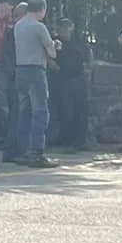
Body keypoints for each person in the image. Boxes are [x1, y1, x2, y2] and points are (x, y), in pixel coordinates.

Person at [6, 0, 55, 167]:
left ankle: (23, 152)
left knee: (24, 112)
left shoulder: (18, 26)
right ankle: (37, 152)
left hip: (21, 70)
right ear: (42, 9)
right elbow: (51, 52)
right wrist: (54, 46)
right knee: (40, 112)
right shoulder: (39, 27)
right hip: (36, 71)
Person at [49, 17, 89, 148]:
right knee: (63, 110)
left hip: (77, 79)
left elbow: (86, 58)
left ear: (71, 28)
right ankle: (63, 138)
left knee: (79, 110)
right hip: (60, 79)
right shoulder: (54, 41)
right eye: (62, 28)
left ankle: (78, 140)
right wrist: (50, 63)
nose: (65, 31)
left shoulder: (78, 42)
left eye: (67, 28)